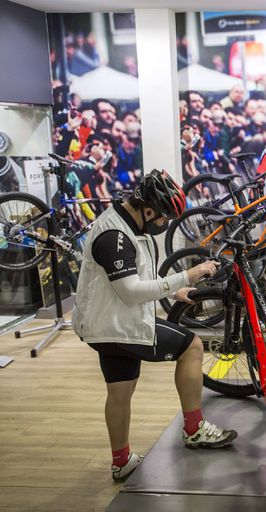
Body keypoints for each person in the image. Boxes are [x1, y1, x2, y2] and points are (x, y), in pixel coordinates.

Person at [72, 170, 237, 482]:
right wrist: (185, 277)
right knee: (192, 347)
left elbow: (131, 278)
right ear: (148, 210)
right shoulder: (115, 237)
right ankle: (194, 429)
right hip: (119, 325)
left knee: (120, 390)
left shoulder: (124, 223)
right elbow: (131, 291)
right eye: (164, 217)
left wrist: (173, 291)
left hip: (104, 326)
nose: (165, 223)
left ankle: (122, 461)